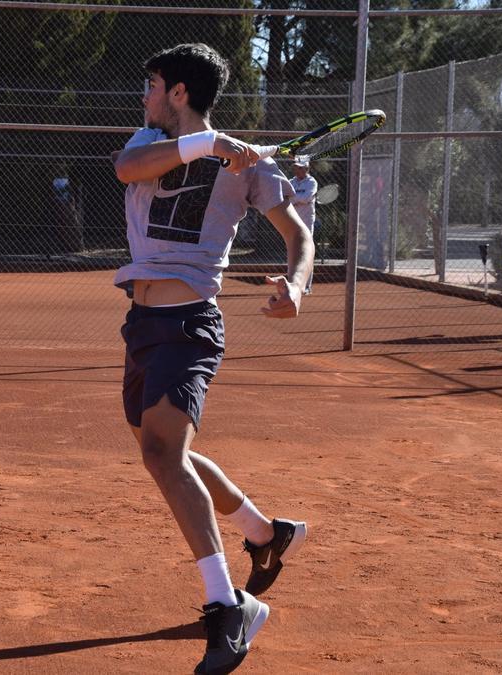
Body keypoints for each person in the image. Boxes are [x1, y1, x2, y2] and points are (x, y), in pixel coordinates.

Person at [112, 43, 312, 675]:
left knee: (162, 455)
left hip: (189, 325)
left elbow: (298, 235)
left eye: (150, 85)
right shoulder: (151, 141)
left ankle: (229, 607)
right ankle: (264, 532)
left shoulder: (249, 168)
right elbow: (128, 169)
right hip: (142, 324)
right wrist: (213, 145)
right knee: (164, 448)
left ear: (177, 92)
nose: (143, 97)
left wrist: (297, 286)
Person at [288, 155, 318, 293]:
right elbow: (285, 196)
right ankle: (293, 283)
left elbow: (306, 198)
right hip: (292, 220)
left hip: (306, 221)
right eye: (296, 167)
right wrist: (296, 200)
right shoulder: (290, 182)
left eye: (300, 168)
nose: (297, 170)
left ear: (307, 168)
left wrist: (293, 199)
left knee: (306, 251)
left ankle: (306, 286)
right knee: (292, 251)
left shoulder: (312, 182)